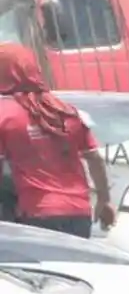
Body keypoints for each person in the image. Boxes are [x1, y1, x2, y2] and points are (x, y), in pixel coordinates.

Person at [0, 43, 114, 237]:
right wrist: (104, 200)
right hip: (79, 213)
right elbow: (94, 158)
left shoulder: (5, 114)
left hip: (36, 214)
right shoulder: (65, 110)